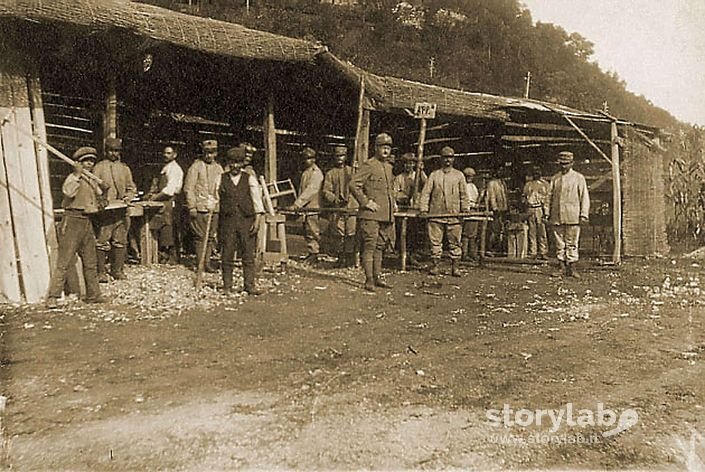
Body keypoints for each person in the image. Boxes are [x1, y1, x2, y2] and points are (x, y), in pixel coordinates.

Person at [46, 147, 108, 308]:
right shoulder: (72, 178)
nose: (89, 164)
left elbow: (99, 201)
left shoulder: (92, 180)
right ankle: (53, 296)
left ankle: (94, 295)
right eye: (86, 161)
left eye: (92, 161)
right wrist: (77, 174)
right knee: (64, 261)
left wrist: (103, 196)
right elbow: (68, 192)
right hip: (72, 220)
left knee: (90, 261)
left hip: (87, 221)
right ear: (78, 163)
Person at [350, 133, 396, 292]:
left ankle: (378, 277)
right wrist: (366, 202)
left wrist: (393, 204)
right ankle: (369, 279)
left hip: (385, 214)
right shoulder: (369, 165)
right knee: (369, 247)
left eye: (388, 147)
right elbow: (354, 185)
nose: (385, 150)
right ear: (376, 148)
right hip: (370, 215)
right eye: (382, 147)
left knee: (380, 247)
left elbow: (389, 190)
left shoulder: (389, 167)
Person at [219, 147, 265, 295]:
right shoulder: (221, 178)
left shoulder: (249, 178)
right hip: (228, 221)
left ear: (242, 163)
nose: (235, 166)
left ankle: (249, 285)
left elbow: (257, 201)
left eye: (238, 163)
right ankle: (227, 285)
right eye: (232, 163)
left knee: (248, 254)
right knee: (227, 253)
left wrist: (257, 220)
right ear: (228, 163)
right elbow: (215, 199)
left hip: (246, 220)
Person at [418, 146, 469, 277]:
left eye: (450, 157)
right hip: (436, 214)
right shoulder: (434, 175)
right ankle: (435, 266)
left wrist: (465, 209)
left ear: (453, 159)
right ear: (441, 159)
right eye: (445, 157)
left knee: (455, 242)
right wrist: (423, 209)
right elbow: (426, 193)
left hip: (454, 215)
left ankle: (455, 268)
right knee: (435, 242)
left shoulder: (459, 175)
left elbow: (464, 194)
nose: (448, 160)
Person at [93, 137, 137, 282]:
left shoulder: (125, 169)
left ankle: (117, 270)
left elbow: (131, 188)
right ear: (106, 151)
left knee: (120, 240)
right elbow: (94, 187)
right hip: (105, 211)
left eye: (116, 151)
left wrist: (128, 197)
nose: (114, 153)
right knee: (102, 241)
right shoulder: (99, 167)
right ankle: (100, 272)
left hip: (121, 211)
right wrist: (100, 200)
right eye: (111, 150)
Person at [547, 151, 590, 278]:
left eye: (566, 164)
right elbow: (549, 197)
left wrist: (583, 214)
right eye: (561, 164)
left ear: (572, 163)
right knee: (559, 243)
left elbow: (584, 197)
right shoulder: (555, 179)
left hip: (573, 215)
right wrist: (546, 213)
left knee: (572, 242)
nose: (563, 166)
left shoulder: (578, 178)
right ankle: (561, 267)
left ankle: (572, 268)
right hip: (557, 215)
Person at [183, 139, 224, 272]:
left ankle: (207, 262)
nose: (209, 156)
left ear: (216, 153)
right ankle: (200, 262)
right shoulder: (196, 167)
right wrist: (192, 207)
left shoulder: (219, 168)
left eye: (212, 153)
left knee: (211, 236)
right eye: (206, 153)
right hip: (199, 208)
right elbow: (189, 188)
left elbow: (221, 188)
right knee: (200, 236)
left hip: (214, 208)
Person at [147, 145, 184, 264]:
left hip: (169, 201)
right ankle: (165, 255)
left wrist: (154, 198)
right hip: (163, 201)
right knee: (163, 227)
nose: (165, 155)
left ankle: (173, 257)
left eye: (168, 153)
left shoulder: (175, 169)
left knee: (170, 227)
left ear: (174, 155)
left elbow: (169, 190)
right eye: (164, 153)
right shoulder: (166, 168)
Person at [322, 144, 357, 267]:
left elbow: (359, 187)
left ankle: (350, 258)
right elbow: (326, 190)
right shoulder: (330, 173)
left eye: (342, 155)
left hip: (352, 208)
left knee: (351, 234)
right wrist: (334, 199)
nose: (339, 158)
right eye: (337, 156)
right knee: (339, 233)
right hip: (338, 208)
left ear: (346, 157)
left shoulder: (353, 171)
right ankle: (341, 258)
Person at [288, 147, 323, 263]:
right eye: (305, 158)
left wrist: (297, 204)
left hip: (313, 206)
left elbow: (310, 191)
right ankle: (311, 252)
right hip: (306, 208)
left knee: (312, 230)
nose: (306, 160)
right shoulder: (306, 172)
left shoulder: (316, 173)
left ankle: (314, 254)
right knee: (307, 230)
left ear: (314, 159)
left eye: (309, 158)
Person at [523, 167, 549, 259]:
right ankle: (533, 251)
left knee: (541, 231)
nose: (536, 175)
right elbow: (525, 196)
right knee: (531, 231)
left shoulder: (544, 184)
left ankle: (543, 251)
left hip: (539, 209)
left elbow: (546, 199)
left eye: (538, 173)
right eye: (534, 173)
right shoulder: (528, 185)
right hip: (530, 208)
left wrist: (546, 213)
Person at [484, 170, 508, 257]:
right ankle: (490, 249)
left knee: (500, 230)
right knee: (494, 230)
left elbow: (505, 195)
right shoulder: (492, 183)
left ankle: (498, 249)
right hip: (496, 210)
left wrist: (506, 207)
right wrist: (494, 208)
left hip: (503, 209)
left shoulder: (502, 183)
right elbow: (491, 196)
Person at [461, 167, 481, 261]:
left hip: (474, 209)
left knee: (473, 233)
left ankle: (472, 252)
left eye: (471, 176)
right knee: (467, 233)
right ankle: (465, 253)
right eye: (468, 176)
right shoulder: (463, 186)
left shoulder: (473, 186)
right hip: (468, 210)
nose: (470, 178)